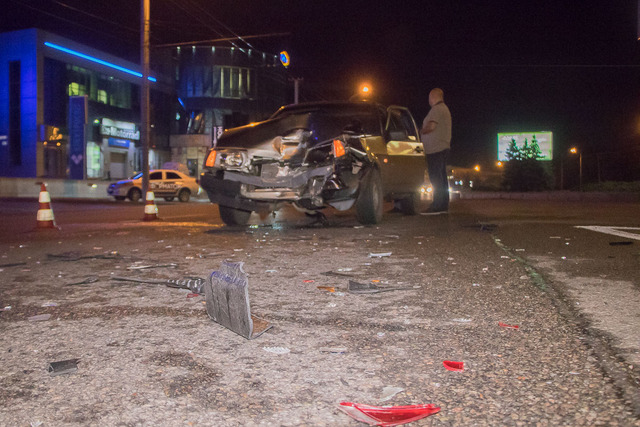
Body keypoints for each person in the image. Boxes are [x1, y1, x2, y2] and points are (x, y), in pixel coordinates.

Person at [420, 88, 452, 214]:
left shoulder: (437, 109)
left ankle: (437, 205)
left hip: (435, 149)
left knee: (436, 177)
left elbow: (431, 126)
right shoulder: (444, 109)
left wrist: (421, 131)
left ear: (433, 96)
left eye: (429, 97)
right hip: (442, 147)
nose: (428, 100)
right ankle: (443, 205)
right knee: (441, 177)